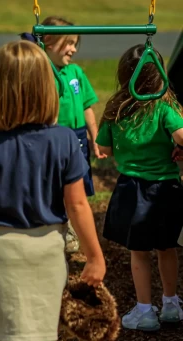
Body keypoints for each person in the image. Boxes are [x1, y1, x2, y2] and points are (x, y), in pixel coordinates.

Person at [0, 40, 106, 341]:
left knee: (6, 332)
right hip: (47, 252)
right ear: (47, 87)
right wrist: (94, 256)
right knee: (44, 331)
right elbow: (78, 206)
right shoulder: (65, 141)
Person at [96, 44, 183, 331]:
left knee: (139, 252)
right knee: (167, 248)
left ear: (124, 76)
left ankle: (145, 311)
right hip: (166, 189)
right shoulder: (166, 108)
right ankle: (171, 304)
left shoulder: (115, 109)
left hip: (133, 190)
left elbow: (104, 148)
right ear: (160, 77)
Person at [23, 16, 106, 253]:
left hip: (78, 137)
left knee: (77, 185)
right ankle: (53, 226)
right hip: (54, 136)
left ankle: (69, 226)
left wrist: (95, 136)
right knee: (55, 184)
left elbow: (88, 106)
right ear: (48, 42)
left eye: (75, 43)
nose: (73, 49)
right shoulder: (41, 72)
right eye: (68, 43)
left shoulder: (76, 72)